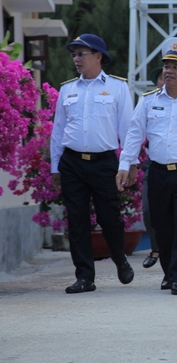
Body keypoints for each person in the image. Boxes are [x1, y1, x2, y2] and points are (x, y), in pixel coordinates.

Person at [116, 37, 177, 295]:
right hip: (158, 171)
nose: (169, 71)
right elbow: (134, 134)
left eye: (176, 66)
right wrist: (125, 164)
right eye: (167, 66)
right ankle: (170, 272)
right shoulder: (148, 100)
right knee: (162, 227)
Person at [50, 33, 136, 294]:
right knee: (76, 221)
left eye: (81, 54)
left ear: (98, 57)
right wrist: (55, 167)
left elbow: (128, 130)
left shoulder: (118, 87)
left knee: (110, 217)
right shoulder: (68, 89)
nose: (76, 59)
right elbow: (58, 130)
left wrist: (128, 163)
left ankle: (119, 259)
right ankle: (85, 276)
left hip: (104, 163)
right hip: (72, 163)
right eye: (74, 54)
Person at [142, 67, 164, 269]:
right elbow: (134, 131)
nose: (166, 78)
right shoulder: (148, 101)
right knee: (149, 210)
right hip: (153, 165)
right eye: (161, 77)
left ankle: (167, 252)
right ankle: (156, 247)